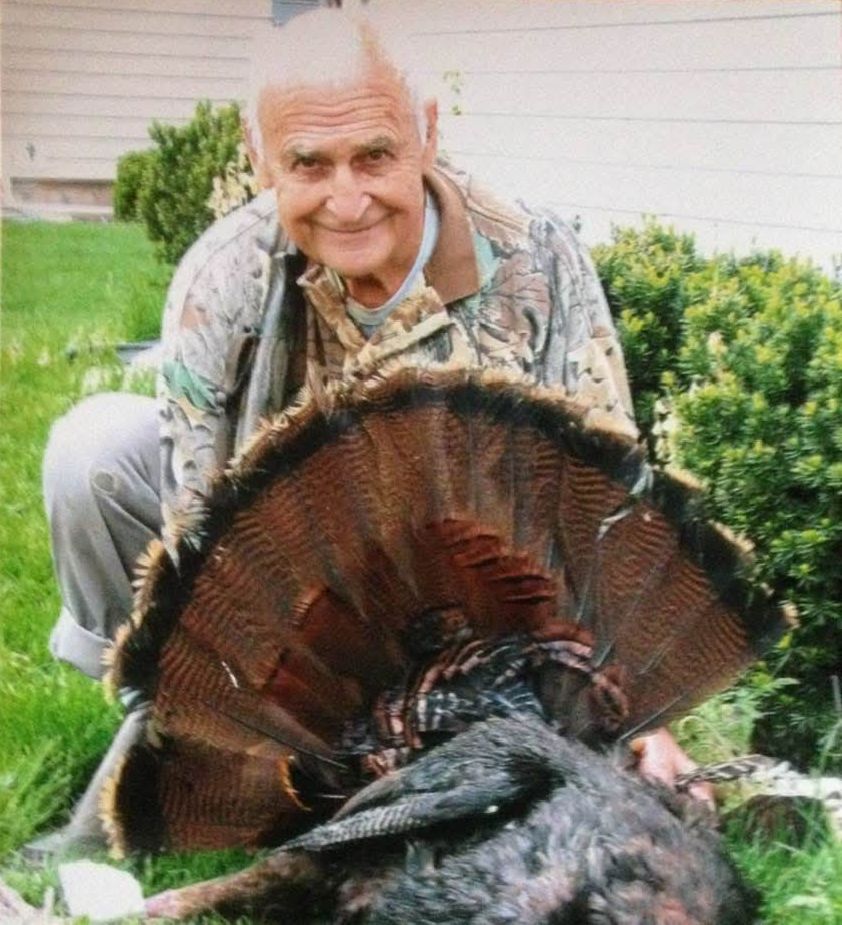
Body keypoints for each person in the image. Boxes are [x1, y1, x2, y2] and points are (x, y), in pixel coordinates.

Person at [29, 6, 707, 859]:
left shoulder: (537, 260)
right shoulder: (222, 277)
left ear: (426, 132)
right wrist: (219, 698)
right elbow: (197, 534)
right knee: (93, 451)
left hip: (483, 610)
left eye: (375, 156)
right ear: (257, 153)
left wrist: (643, 714)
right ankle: (166, 735)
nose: (346, 199)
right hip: (289, 606)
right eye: (307, 164)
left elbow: (614, 500)